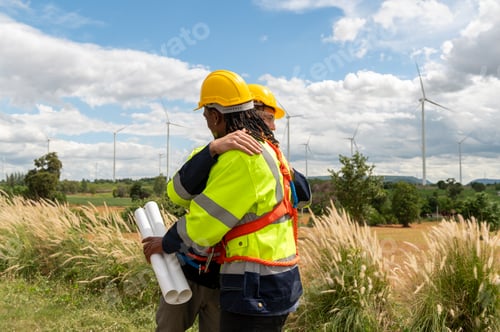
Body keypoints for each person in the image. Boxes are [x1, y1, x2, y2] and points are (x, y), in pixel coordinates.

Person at [143, 69, 303, 332]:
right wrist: (212, 150)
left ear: (216, 116)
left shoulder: (243, 157)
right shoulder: (263, 152)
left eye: (206, 116)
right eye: (266, 117)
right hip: (271, 283)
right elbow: (177, 191)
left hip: (253, 287)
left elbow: (206, 223)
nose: (271, 125)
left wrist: (167, 243)